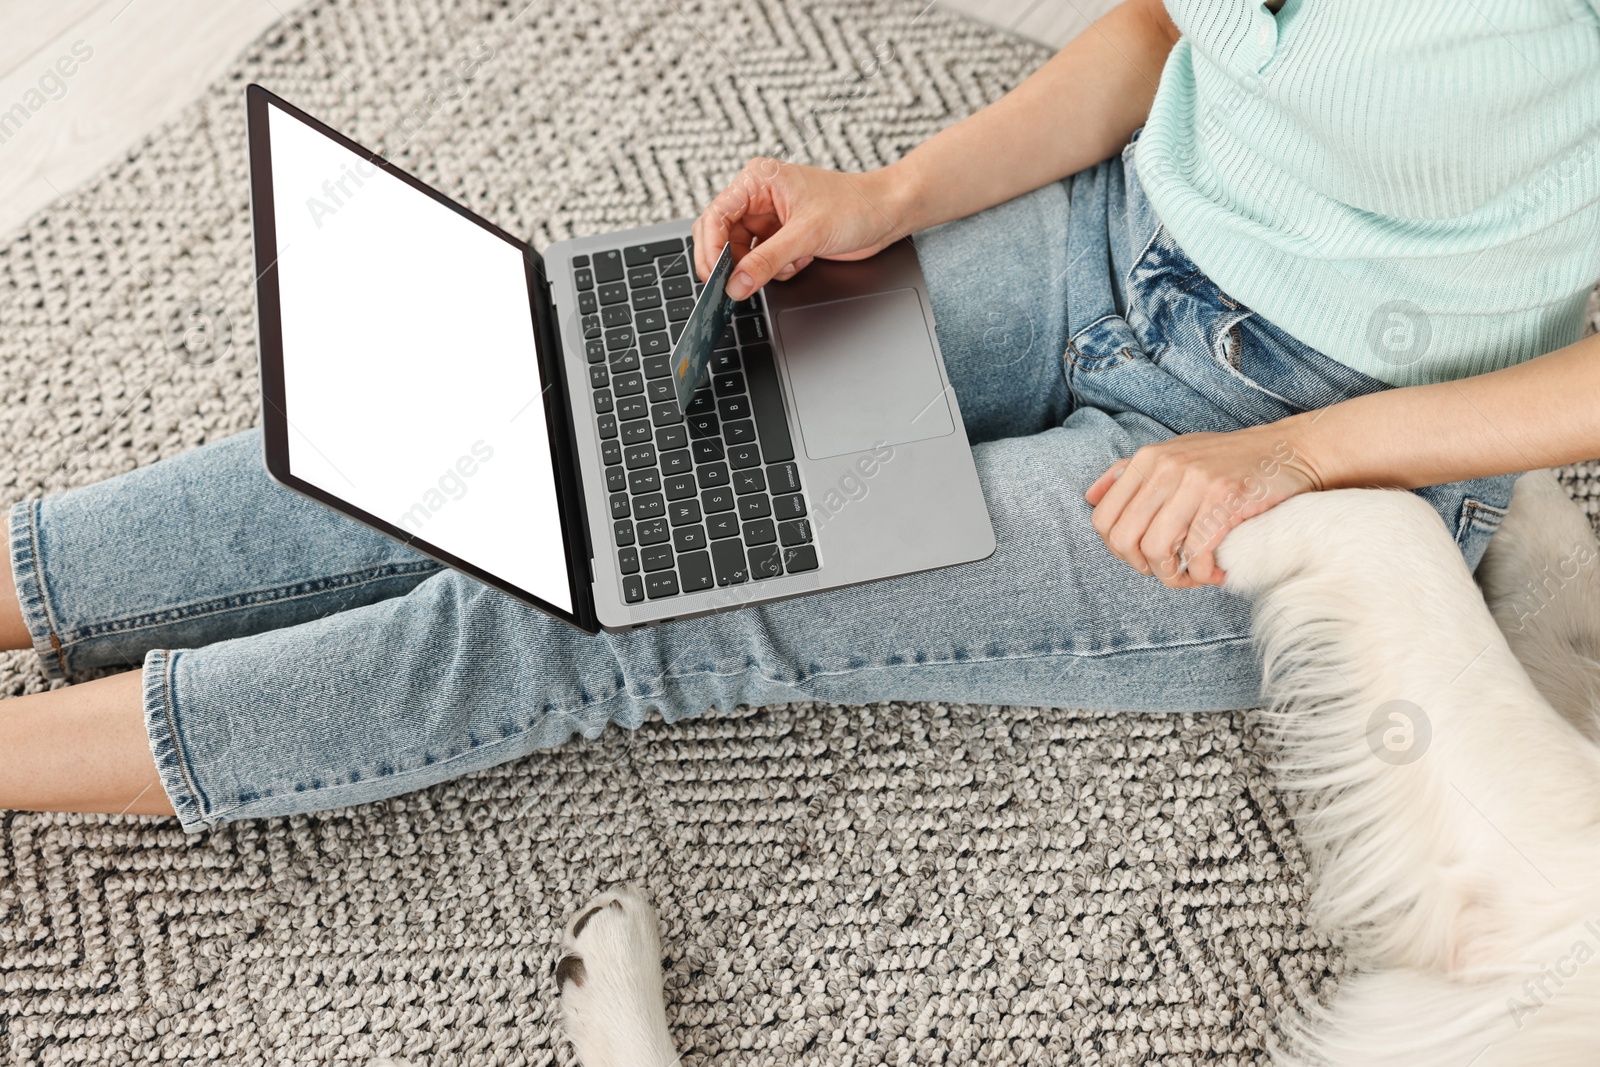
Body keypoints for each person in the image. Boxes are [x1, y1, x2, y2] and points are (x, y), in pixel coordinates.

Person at [2, 0, 1596, 831]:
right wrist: (886, 196)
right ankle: (28, 583)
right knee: (535, 387)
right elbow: (1171, 39)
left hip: (1337, 456)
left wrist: (1299, 452)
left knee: (639, 598)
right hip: (1115, 234)